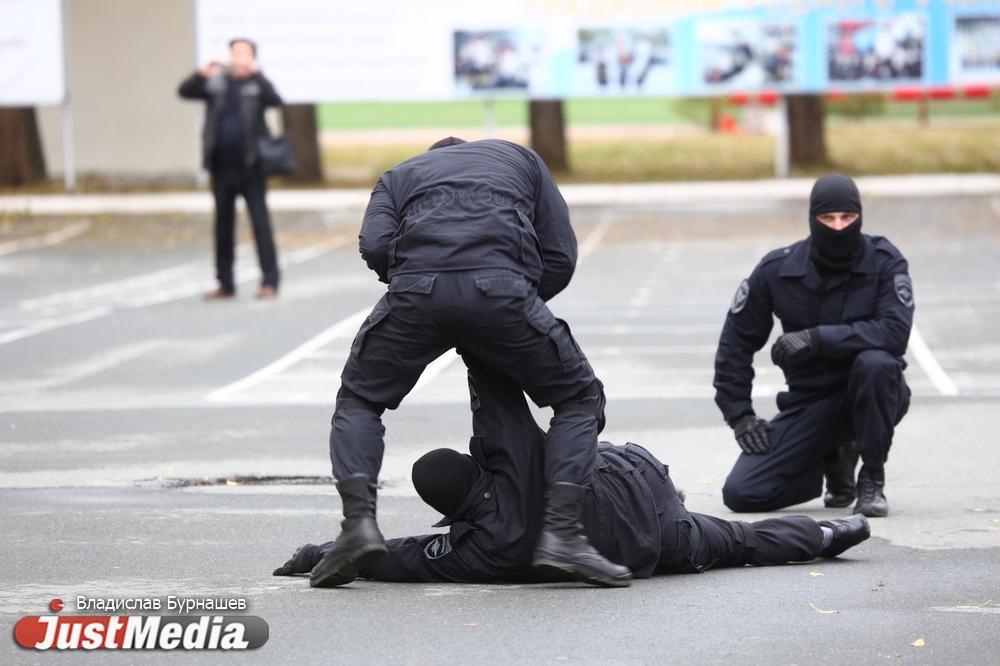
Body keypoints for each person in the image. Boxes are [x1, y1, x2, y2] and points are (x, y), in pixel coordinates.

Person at [312, 137, 628, 589]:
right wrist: (511, 315)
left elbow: (376, 245)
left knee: (359, 401)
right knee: (578, 397)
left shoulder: (397, 176)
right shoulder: (521, 159)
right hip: (502, 290)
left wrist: (417, 284)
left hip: (417, 291)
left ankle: (357, 527)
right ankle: (562, 533)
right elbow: (560, 254)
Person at [274, 356, 870, 584]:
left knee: (737, 542)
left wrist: (317, 553)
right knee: (737, 536)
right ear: (476, 470)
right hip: (637, 484)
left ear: (450, 514)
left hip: (657, 542)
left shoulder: (474, 551)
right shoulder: (518, 466)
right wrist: (468, 328)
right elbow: (496, 388)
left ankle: (823, 536)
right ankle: (828, 531)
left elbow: (398, 556)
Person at [714, 173, 913, 518]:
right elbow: (735, 343)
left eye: (847, 217)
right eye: (828, 218)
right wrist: (740, 415)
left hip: (874, 394)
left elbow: (894, 333)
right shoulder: (778, 269)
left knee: (876, 364)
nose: (838, 227)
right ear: (812, 218)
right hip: (809, 402)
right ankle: (830, 460)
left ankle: (871, 476)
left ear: (860, 217)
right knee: (742, 493)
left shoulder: (884, 261)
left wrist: (817, 337)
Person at [178, 37, 283, 300]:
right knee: (223, 227)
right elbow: (185, 91)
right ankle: (225, 283)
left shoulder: (257, 85)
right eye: (235, 52)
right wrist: (201, 74)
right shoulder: (217, 83)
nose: (238, 57)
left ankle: (269, 282)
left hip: (251, 167)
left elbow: (275, 100)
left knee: (260, 224)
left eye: (244, 53)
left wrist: (257, 74)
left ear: (253, 57)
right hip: (221, 166)